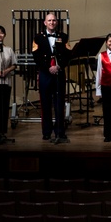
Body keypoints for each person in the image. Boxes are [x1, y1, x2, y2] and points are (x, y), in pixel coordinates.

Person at [31, 12, 71, 144]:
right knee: (45, 103)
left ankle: (60, 131)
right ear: (45, 22)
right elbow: (36, 56)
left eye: (54, 20)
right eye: (49, 20)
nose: (52, 22)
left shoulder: (63, 37)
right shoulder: (38, 37)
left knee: (59, 103)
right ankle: (46, 132)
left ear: (57, 22)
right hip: (45, 74)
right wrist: (48, 68)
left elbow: (68, 54)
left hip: (59, 73)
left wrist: (58, 66)